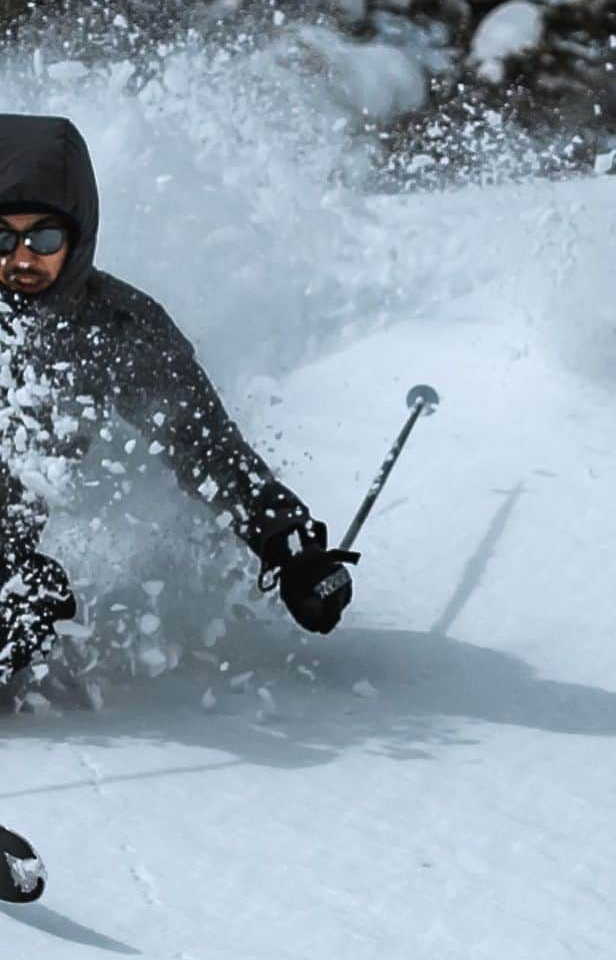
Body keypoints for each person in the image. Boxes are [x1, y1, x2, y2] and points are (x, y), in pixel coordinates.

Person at [0, 112, 356, 703]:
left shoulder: (116, 330)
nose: (22, 258)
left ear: (78, 234)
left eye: (43, 238)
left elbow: (206, 447)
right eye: (2, 238)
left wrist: (290, 546)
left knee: (20, 600)